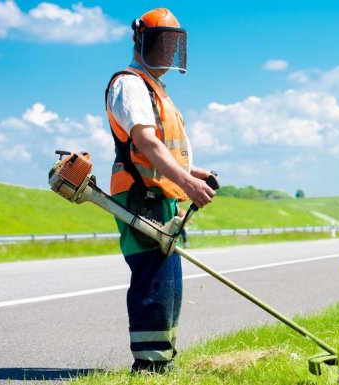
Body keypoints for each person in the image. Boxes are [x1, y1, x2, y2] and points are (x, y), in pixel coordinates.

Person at [105, 8, 216, 373]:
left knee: (169, 282)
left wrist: (191, 172)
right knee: (154, 278)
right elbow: (148, 145)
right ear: (141, 42)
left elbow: (161, 150)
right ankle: (149, 368)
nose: (167, 52)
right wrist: (188, 182)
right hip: (141, 196)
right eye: (161, 43)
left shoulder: (156, 90)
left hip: (161, 196)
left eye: (173, 45)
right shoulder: (131, 83)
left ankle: (162, 362)